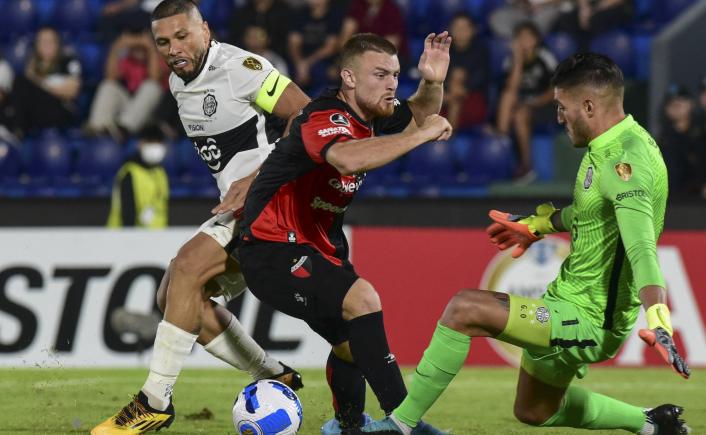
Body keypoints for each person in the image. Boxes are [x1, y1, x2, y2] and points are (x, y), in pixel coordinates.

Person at [363, 53, 691, 435]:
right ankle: (651, 423)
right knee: (534, 411)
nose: (558, 117)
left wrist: (659, 319)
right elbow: (590, 213)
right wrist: (538, 225)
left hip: (591, 319)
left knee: (464, 308)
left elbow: (641, 248)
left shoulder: (626, 165)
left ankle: (399, 425)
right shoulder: (612, 146)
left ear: (588, 105)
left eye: (561, 106)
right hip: (566, 299)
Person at [91, 1, 310, 433]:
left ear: (205, 30)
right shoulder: (177, 83)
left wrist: (257, 181)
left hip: (275, 200)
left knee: (188, 267)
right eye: (163, 42)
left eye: (182, 36)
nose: (173, 48)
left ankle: (154, 401)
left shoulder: (240, 68)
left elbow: (305, 116)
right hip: (244, 209)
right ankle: (273, 375)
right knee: (177, 296)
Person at [238, 32, 452, 435]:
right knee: (363, 299)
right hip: (271, 247)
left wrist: (433, 83)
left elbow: (421, 113)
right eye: (380, 74)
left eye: (394, 75)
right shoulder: (325, 115)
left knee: (354, 348)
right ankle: (406, 425)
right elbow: (346, 158)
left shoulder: (372, 116)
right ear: (349, 78)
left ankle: (347, 427)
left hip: (317, 247)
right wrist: (418, 136)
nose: (391, 83)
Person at [495, 21, 557, 182]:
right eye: (520, 38)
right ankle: (502, 140)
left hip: (544, 104)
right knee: (508, 97)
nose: (525, 41)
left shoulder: (545, 56)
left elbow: (556, 89)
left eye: (528, 37)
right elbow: (511, 88)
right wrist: (518, 61)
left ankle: (526, 165)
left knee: (520, 115)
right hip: (519, 103)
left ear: (536, 39)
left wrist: (533, 103)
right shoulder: (511, 60)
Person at [86, 30, 166, 139]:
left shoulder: (160, 57)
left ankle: (123, 129)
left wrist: (150, 48)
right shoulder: (128, 60)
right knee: (108, 86)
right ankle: (99, 130)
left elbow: (155, 78)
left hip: (151, 115)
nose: (138, 49)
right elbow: (110, 77)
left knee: (152, 87)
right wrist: (116, 47)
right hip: (128, 111)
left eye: (141, 48)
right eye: (135, 48)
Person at [8, 27, 82, 134]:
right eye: (42, 41)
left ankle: (17, 130)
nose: (46, 45)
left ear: (58, 44)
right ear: (37, 45)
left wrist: (39, 83)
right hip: (36, 113)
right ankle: (16, 131)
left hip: (60, 110)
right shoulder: (33, 65)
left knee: (22, 81)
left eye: (50, 41)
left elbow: (72, 91)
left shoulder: (68, 62)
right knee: (19, 82)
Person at [107, 125, 170, 228]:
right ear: (140, 144)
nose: (154, 146)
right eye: (150, 142)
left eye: (158, 142)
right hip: (126, 237)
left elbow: (163, 208)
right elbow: (127, 213)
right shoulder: (129, 172)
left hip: (157, 237)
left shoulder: (161, 173)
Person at [442, 12, 490, 131]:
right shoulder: (442, 50)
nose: (460, 31)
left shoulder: (481, 50)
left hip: (472, 98)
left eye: (464, 27)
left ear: (473, 30)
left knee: (455, 100)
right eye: (457, 27)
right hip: (444, 97)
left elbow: (482, 77)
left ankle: (448, 143)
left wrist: (462, 88)